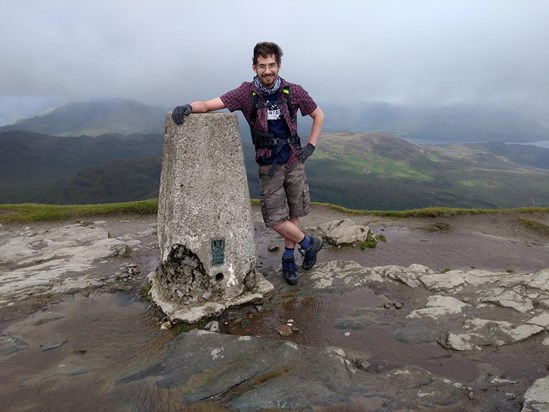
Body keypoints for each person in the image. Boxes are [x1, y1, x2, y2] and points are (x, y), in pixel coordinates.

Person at [171, 41, 324, 286]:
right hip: (268, 165)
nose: (267, 71)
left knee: (294, 213)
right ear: (254, 67)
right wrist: (189, 107)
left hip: (294, 160)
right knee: (275, 219)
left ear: (279, 65)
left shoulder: (293, 91)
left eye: (272, 65)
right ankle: (309, 243)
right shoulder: (246, 93)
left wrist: (311, 146)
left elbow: (318, 114)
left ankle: (288, 259)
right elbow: (211, 105)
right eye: (262, 66)